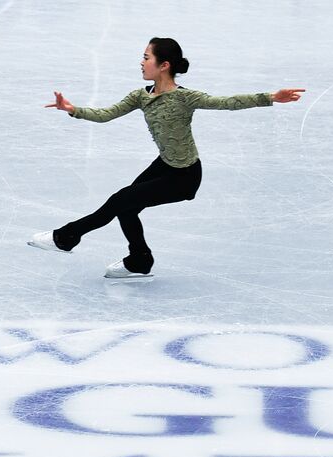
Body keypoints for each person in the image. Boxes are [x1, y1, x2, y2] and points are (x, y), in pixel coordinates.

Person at [32, 37, 305, 280]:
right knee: (126, 207)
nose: (141, 63)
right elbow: (106, 114)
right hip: (164, 165)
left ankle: (65, 237)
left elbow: (227, 102)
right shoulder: (141, 95)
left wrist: (270, 97)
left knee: (120, 201)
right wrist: (72, 109)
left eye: (146, 57)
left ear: (164, 65)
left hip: (184, 176)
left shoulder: (185, 98)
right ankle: (139, 261)